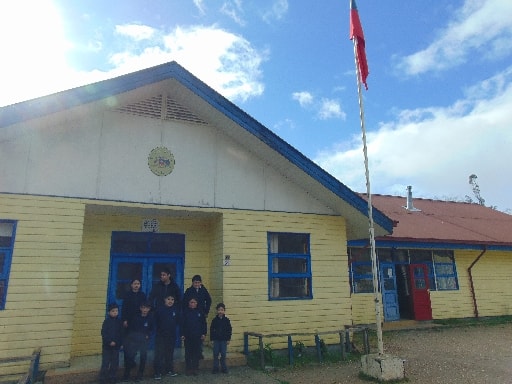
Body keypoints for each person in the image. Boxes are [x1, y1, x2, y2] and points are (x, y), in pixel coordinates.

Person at [123, 301, 154, 382]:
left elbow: (151, 329)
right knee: (130, 357)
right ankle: (126, 374)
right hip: (134, 340)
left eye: (147, 308)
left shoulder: (150, 318)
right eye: (143, 308)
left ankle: (140, 374)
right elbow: (131, 329)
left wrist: (148, 335)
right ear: (140, 308)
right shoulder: (136, 317)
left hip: (144, 341)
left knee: (143, 357)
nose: (145, 310)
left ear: (149, 309)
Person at [153, 294, 180, 379]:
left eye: (172, 299)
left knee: (169, 354)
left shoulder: (175, 310)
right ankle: (157, 372)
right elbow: (155, 322)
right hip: (161, 336)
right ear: (164, 300)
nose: (170, 301)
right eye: (168, 299)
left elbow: (177, 322)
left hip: (171, 336)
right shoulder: (159, 310)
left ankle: (169, 370)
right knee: (159, 354)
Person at [181, 297, 207, 376]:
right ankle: (188, 369)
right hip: (188, 336)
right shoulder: (185, 312)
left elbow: (204, 324)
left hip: (197, 336)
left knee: (196, 353)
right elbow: (182, 324)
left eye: (194, 302)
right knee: (188, 353)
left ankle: (195, 368)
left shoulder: (200, 312)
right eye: (191, 302)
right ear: (189, 303)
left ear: (197, 303)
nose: (192, 304)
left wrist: (203, 334)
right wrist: (182, 334)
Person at [100, 303, 123, 384]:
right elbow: (103, 333)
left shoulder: (119, 322)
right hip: (107, 347)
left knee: (114, 363)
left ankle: (112, 377)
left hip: (116, 347)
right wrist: (109, 341)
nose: (115, 313)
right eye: (113, 311)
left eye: (116, 311)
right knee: (105, 363)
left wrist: (119, 343)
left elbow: (121, 333)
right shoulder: (106, 322)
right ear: (108, 312)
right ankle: (103, 378)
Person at [210, 303, 232, 374]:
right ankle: (215, 368)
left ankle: (224, 368)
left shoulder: (227, 320)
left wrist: (228, 339)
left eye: (222, 310)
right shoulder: (214, 320)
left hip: (224, 340)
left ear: (224, 311)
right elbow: (211, 330)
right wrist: (212, 339)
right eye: (219, 310)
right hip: (216, 340)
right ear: (217, 311)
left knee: (223, 354)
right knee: (215, 354)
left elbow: (229, 330)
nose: (220, 311)